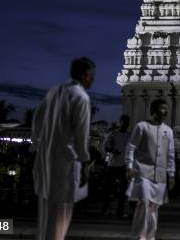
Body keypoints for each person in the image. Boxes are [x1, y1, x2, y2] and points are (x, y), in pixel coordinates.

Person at [31, 57, 95, 240]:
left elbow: (37, 120)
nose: (92, 79)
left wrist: (37, 145)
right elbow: (82, 135)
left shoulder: (54, 91)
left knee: (45, 212)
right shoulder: (80, 97)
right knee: (61, 213)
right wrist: (84, 162)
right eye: (92, 76)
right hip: (67, 161)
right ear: (85, 76)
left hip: (45, 159)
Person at [126, 99, 175, 240]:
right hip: (142, 172)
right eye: (162, 108)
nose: (165, 111)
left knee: (154, 207)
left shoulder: (168, 131)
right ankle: (139, 236)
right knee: (144, 203)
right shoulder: (142, 127)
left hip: (160, 175)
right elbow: (131, 147)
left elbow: (170, 154)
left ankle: (150, 236)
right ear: (153, 110)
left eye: (166, 109)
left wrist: (171, 174)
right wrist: (129, 166)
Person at [103, 114, 132, 216]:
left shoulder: (130, 135)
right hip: (112, 165)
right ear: (120, 122)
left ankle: (120, 211)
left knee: (123, 189)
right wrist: (113, 151)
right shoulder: (113, 134)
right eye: (124, 122)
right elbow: (105, 147)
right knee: (109, 188)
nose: (126, 125)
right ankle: (105, 209)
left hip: (123, 165)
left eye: (128, 123)